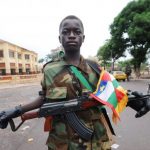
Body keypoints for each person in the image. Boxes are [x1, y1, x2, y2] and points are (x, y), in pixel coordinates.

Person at [0, 15, 150, 150]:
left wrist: (134, 101)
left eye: (77, 32)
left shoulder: (95, 67)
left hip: (96, 141)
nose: (71, 35)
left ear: (83, 38)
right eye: (66, 32)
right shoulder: (49, 69)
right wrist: (17, 110)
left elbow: (113, 92)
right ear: (60, 38)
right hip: (61, 142)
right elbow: (43, 98)